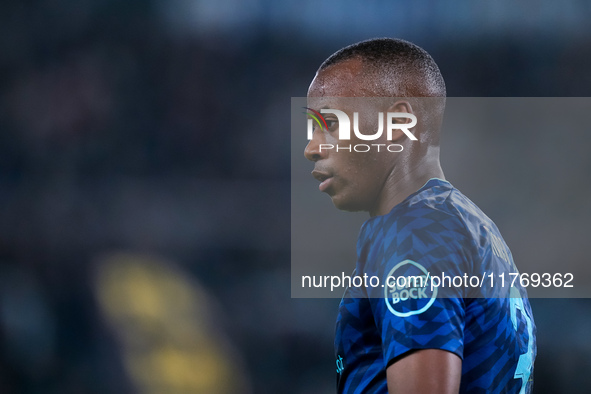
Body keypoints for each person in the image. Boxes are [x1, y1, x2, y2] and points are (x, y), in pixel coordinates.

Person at [304, 38, 536, 393]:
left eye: (331, 124)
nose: (311, 148)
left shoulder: (414, 231)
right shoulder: (470, 225)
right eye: (312, 126)